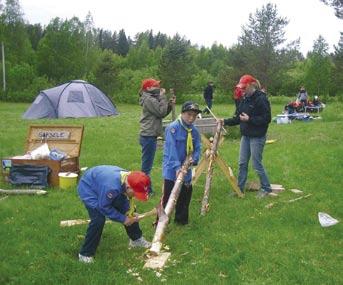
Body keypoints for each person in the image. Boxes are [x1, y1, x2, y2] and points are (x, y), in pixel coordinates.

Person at [78, 166, 152, 263]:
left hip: (104, 184)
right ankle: (85, 254)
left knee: (130, 212)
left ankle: (136, 240)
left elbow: (126, 200)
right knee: (98, 219)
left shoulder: (129, 179)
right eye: (135, 193)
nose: (135, 196)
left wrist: (129, 213)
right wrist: (123, 219)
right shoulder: (111, 187)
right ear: (128, 187)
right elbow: (104, 207)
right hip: (89, 187)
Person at [222, 74, 272, 198]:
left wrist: (250, 119)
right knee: (242, 163)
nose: (242, 90)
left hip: (257, 136)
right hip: (246, 136)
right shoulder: (244, 99)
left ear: (250, 85)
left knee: (256, 164)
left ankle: (266, 188)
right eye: (241, 88)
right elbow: (238, 118)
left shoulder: (261, 99)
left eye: (244, 88)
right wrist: (224, 121)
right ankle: (239, 189)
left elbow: (267, 118)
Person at [160, 101, 202, 225]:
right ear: (182, 113)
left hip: (186, 168)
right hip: (172, 168)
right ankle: (162, 221)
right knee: (168, 196)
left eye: (194, 116)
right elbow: (171, 149)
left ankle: (181, 220)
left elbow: (197, 147)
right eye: (189, 114)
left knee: (185, 194)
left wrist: (194, 159)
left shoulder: (194, 131)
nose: (191, 118)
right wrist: (177, 167)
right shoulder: (172, 128)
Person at [139, 78, 176, 195]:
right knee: (146, 166)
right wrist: (163, 97)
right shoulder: (148, 99)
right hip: (148, 135)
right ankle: (145, 190)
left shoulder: (151, 99)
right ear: (148, 88)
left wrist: (169, 105)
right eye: (156, 86)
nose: (159, 88)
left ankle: (146, 189)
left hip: (150, 134)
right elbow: (160, 112)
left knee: (147, 164)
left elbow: (162, 113)